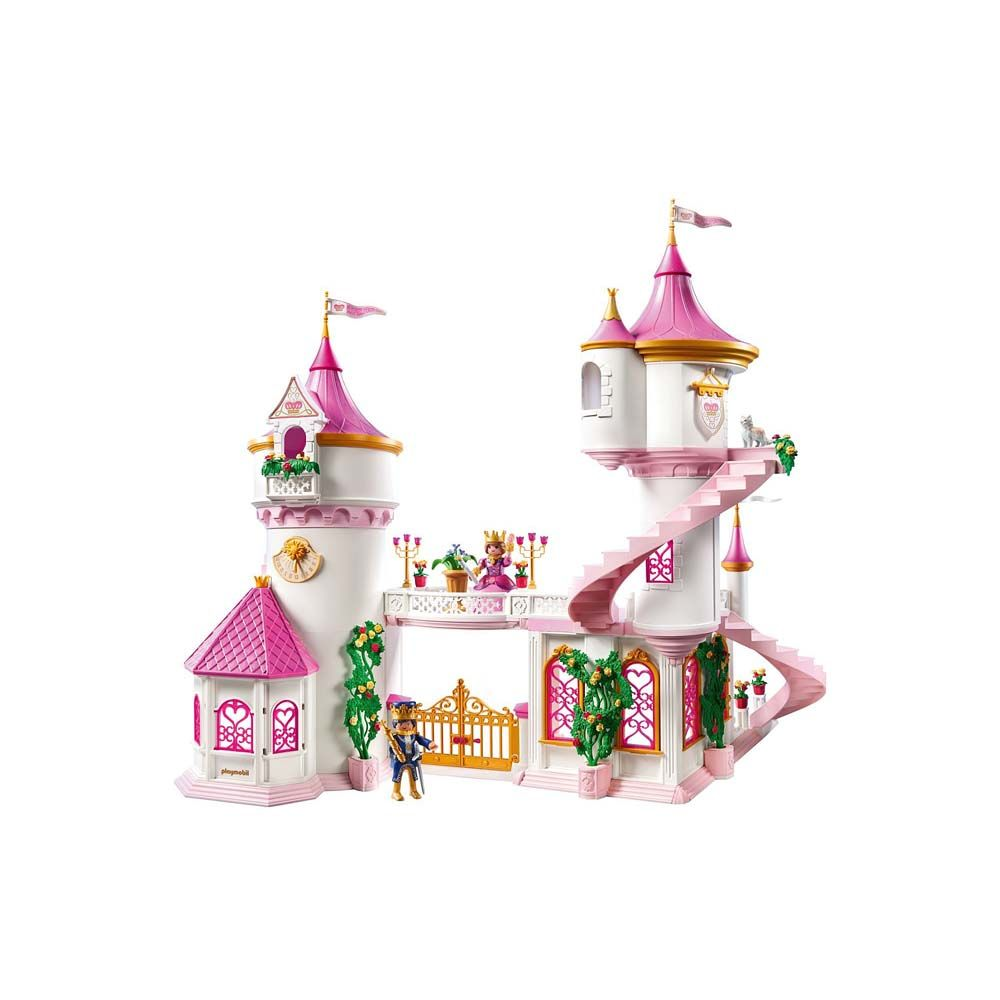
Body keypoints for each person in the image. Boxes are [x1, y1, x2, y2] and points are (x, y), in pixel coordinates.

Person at [386, 700, 437, 801]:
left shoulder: (414, 735)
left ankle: (413, 790)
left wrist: (429, 744)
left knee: (413, 774)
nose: (405, 726)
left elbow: (422, 740)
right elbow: (391, 749)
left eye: (408, 723)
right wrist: (396, 755)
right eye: (401, 723)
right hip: (399, 760)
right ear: (395, 724)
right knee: (397, 775)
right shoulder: (395, 737)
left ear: (413, 724)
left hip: (412, 758)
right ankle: (395, 792)